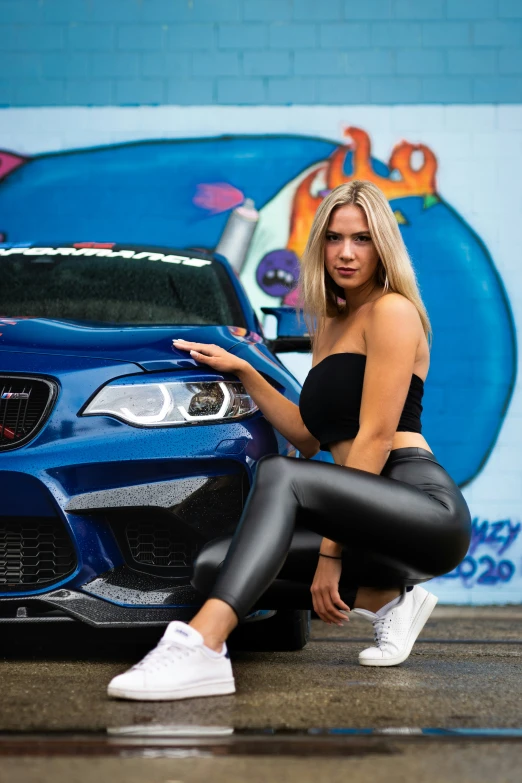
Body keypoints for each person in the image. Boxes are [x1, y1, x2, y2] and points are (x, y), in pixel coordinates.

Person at [108, 180, 471, 702]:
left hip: (419, 506)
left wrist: (330, 555)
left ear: (383, 247)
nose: (346, 252)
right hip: (358, 512)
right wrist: (245, 372)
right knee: (213, 565)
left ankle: (202, 647)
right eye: (335, 238)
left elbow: (373, 436)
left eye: (363, 239)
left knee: (281, 476)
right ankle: (387, 597)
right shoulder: (330, 323)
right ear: (320, 244)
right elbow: (306, 434)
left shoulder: (393, 311)